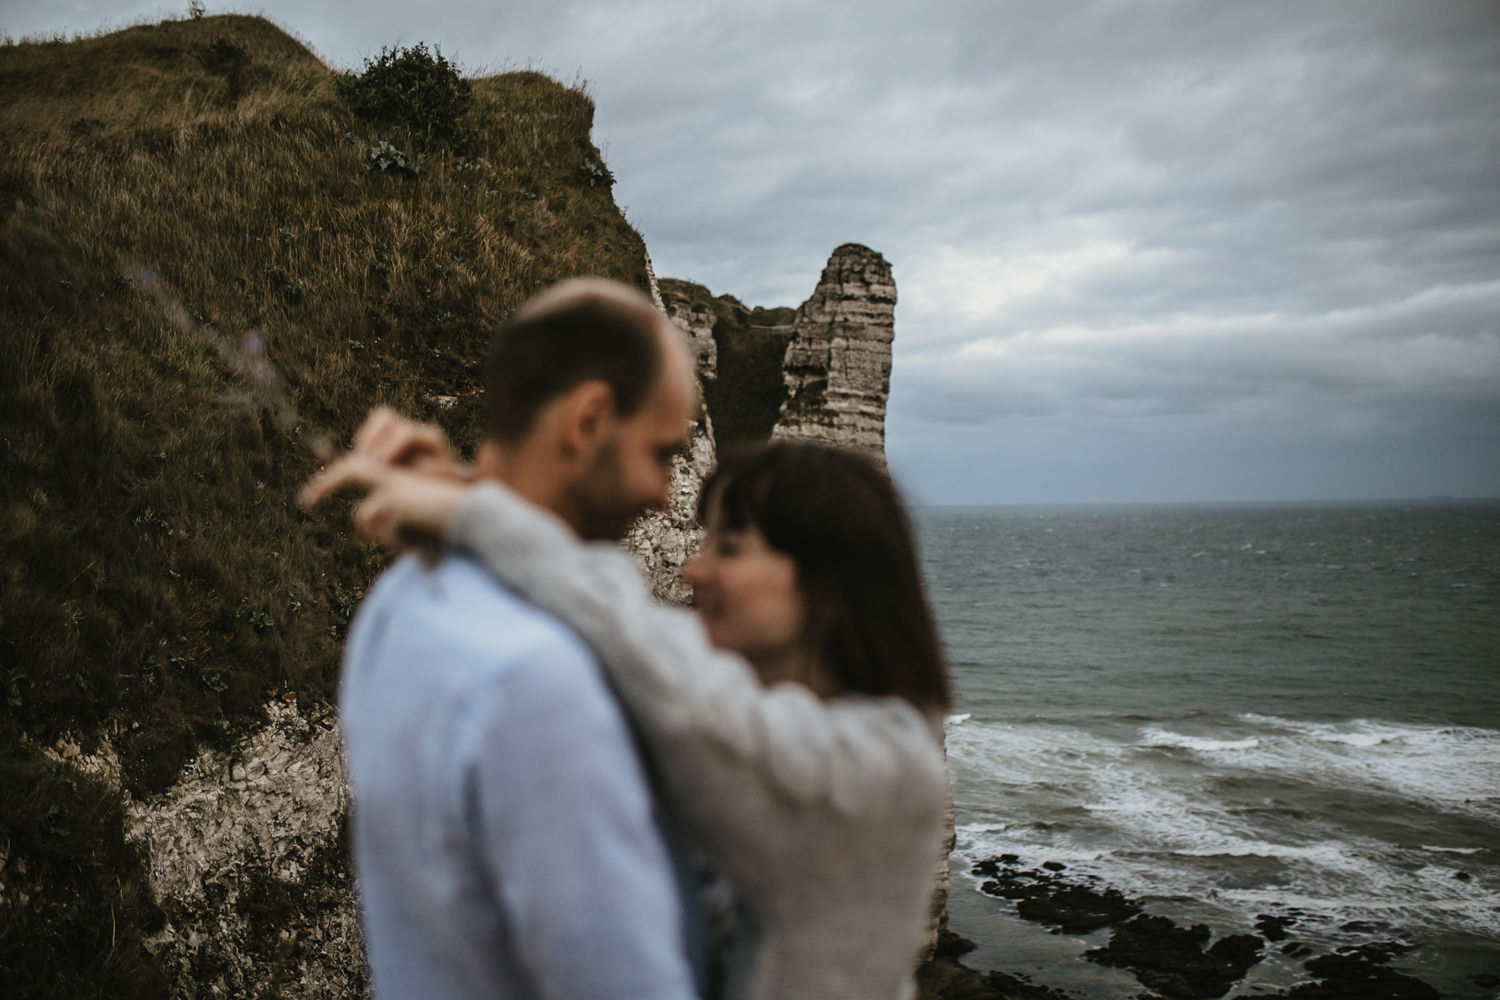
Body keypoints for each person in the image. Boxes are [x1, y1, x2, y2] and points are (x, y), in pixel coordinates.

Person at [307, 414, 952, 997]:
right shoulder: (797, 719)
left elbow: (649, 653)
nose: (694, 572)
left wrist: (474, 511)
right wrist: (468, 492)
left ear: (826, 582)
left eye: (728, 547)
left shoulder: (886, 768)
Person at [323, 279, 706, 1000]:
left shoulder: (398, 600)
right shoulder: (539, 678)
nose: (664, 492)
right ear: (588, 419)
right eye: (661, 453)